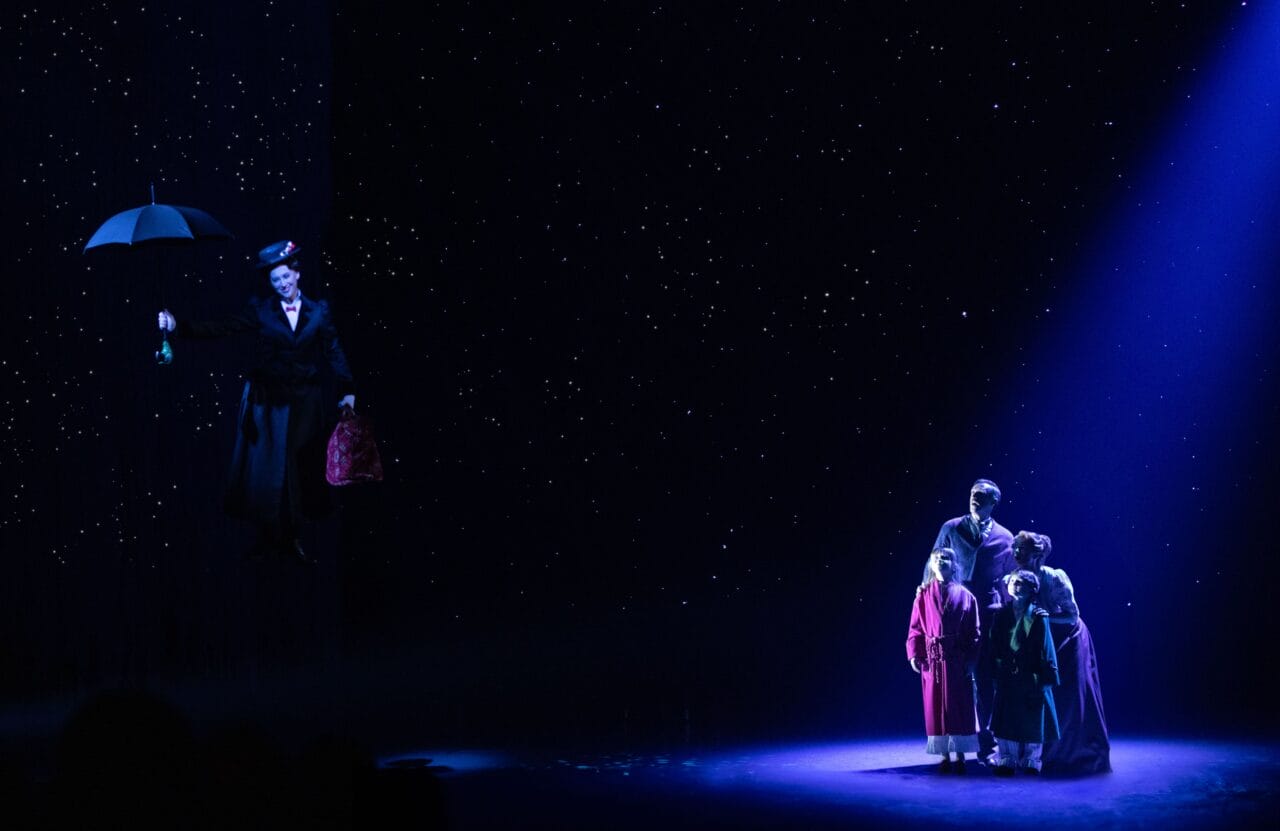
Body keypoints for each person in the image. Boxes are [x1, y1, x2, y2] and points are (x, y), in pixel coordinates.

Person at [158, 239, 356, 562]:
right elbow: (223, 327)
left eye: (286, 277)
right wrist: (179, 326)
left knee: (297, 467)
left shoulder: (319, 311)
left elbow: (333, 350)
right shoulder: (261, 310)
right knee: (267, 470)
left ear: (297, 273)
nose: (281, 284)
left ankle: (291, 536)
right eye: (275, 279)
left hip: (305, 401)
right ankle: (269, 536)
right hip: (270, 401)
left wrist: (348, 389)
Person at [919, 478, 1017, 761]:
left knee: (986, 676)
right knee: (955, 676)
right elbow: (933, 561)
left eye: (982, 495)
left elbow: (1009, 577)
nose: (976, 498)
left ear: (993, 503)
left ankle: (987, 741)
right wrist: (925, 591)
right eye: (973, 493)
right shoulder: (951, 528)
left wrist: (1012, 612)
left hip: (988, 612)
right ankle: (957, 741)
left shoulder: (1005, 536)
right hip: (954, 610)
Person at [1007, 531, 1111, 774]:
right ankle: (1031, 756)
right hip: (1038, 640)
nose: (1016, 553)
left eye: (1021, 549)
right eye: (1015, 549)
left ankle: (1073, 755)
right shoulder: (1013, 578)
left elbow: (1072, 614)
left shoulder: (1054, 578)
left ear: (1036, 553)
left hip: (1067, 638)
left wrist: (1044, 618)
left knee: (1069, 696)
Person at [906, 548, 981, 773]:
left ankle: (960, 754)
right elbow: (915, 628)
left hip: (957, 660)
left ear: (955, 565)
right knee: (935, 706)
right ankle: (944, 754)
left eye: (946, 557)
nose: (941, 560)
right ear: (931, 564)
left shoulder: (966, 596)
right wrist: (914, 654)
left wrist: (971, 660)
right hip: (933, 660)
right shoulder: (923, 594)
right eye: (936, 558)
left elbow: (974, 632)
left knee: (958, 705)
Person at [986, 569, 1059, 776]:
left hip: (1031, 675)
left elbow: (1046, 648)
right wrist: (994, 672)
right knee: (1007, 717)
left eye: (1021, 583)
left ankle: (1031, 761)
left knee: (1033, 717)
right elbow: (994, 646)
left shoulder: (1038, 616)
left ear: (1032, 589)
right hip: (1008, 675)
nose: (1015, 586)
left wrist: (1047, 677)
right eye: (1013, 582)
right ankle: (1007, 759)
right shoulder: (1001, 614)